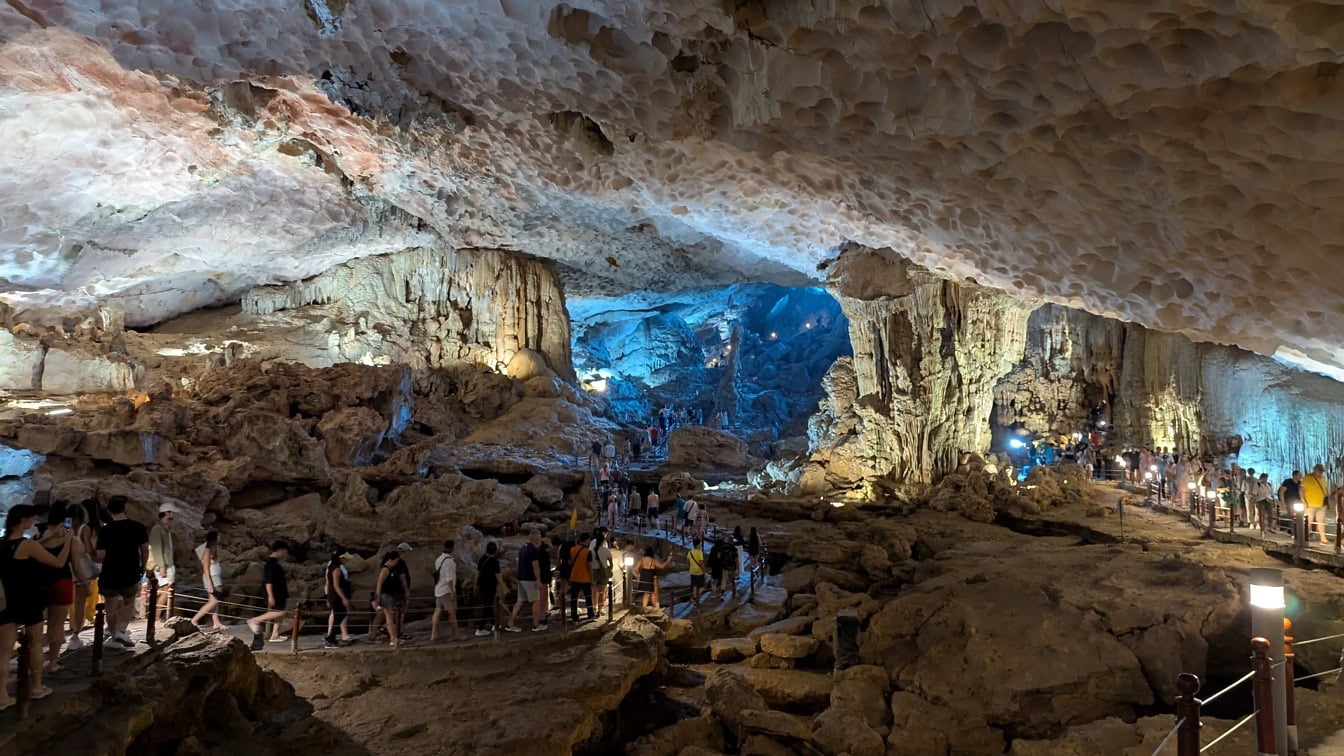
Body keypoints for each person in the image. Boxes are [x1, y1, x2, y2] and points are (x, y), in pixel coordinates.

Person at [1, 504, 72, 708]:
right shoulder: (27, 545)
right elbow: (58, 563)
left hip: (7, 600)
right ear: (23, 520)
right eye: (31, 519)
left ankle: (2, 696)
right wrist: (67, 540)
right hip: (29, 599)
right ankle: (36, 687)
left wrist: (47, 538)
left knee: (4, 651)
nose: (33, 522)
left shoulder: (2, 544)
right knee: (35, 643)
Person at [96, 496, 149, 649]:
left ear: (109, 510)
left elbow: (100, 555)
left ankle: (114, 635)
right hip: (131, 570)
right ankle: (121, 631)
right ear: (125, 508)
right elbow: (144, 549)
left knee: (110, 604)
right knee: (129, 601)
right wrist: (143, 566)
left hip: (110, 572)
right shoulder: (137, 527)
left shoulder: (105, 530)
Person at [37, 502, 75, 673]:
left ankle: (34, 661)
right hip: (62, 582)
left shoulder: (41, 533)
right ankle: (53, 662)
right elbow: (67, 559)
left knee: (42, 624)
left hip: (42, 582)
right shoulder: (66, 535)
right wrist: (68, 539)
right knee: (57, 625)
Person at [67, 503, 97, 650]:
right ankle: (75, 635)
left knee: (66, 604)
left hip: (67, 568)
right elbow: (88, 548)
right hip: (81, 569)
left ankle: (65, 632)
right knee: (80, 603)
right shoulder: (83, 529)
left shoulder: (65, 529)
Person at [248, 541, 291, 644]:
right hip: (275, 593)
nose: (285, 554)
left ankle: (275, 634)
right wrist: (270, 595)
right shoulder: (271, 564)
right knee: (280, 612)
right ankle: (256, 620)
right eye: (284, 551)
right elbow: (268, 581)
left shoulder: (274, 563)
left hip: (280, 592)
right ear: (280, 550)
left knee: (280, 612)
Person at [507, 530, 545, 633]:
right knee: (536, 601)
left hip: (521, 578)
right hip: (529, 579)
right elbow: (535, 566)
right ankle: (536, 625)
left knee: (519, 601)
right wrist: (538, 579)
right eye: (539, 537)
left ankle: (510, 623)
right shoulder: (532, 550)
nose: (540, 539)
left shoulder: (523, 547)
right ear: (535, 538)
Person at [191, 531, 228, 631]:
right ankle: (194, 620)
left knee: (214, 602)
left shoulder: (213, 550)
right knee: (214, 601)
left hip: (216, 576)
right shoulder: (207, 550)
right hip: (212, 577)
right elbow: (206, 568)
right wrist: (209, 583)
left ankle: (216, 622)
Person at [145, 506, 176, 624]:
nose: (173, 514)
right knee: (166, 590)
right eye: (171, 512)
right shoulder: (158, 529)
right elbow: (157, 548)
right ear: (166, 513)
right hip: (163, 565)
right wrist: (161, 565)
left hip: (168, 564)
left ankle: (158, 615)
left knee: (167, 590)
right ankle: (156, 617)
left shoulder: (166, 528)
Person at [374, 549, 409, 646]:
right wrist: (377, 598)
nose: (396, 563)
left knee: (392, 617)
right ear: (391, 560)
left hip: (392, 595)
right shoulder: (385, 569)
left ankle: (394, 637)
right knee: (389, 617)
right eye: (396, 561)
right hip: (386, 595)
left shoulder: (392, 569)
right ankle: (393, 638)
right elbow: (379, 584)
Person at [430, 540, 459, 642]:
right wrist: (453, 592)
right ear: (452, 548)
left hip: (438, 589)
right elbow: (449, 579)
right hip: (446, 590)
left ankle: (434, 634)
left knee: (437, 611)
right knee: (452, 612)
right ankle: (455, 634)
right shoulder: (449, 562)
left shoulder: (439, 559)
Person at [324, 550, 354, 648]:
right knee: (339, 616)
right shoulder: (336, 569)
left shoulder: (331, 567)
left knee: (340, 615)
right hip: (336, 596)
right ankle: (331, 639)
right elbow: (336, 585)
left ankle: (331, 637)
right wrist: (343, 598)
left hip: (333, 595)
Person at [475, 541, 502, 636]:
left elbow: (477, 574)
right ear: (495, 551)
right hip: (490, 587)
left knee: (489, 604)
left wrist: (475, 585)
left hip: (482, 586)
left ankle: (494, 624)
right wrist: (503, 586)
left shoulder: (482, 559)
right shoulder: (495, 562)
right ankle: (480, 628)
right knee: (487, 606)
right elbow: (498, 576)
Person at [568, 534, 595, 623]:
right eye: (589, 540)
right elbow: (589, 566)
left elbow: (569, 562)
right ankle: (590, 614)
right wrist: (592, 579)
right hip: (585, 578)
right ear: (586, 540)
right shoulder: (588, 552)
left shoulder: (572, 550)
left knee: (574, 598)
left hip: (574, 577)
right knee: (588, 597)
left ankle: (574, 617)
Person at [1303, 464, 1330, 545]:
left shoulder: (1323, 478)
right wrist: (1303, 500)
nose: (1321, 473)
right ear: (1315, 470)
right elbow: (1302, 490)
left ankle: (1323, 539)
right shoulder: (1307, 478)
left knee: (1321, 521)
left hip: (1321, 504)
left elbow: (1325, 489)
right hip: (1310, 504)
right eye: (1319, 471)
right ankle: (1304, 537)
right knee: (1308, 521)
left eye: (1322, 471)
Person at [589, 530, 612, 617]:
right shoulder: (606, 551)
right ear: (603, 541)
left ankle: (594, 607)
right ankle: (600, 609)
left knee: (594, 591)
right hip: (603, 572)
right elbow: (611, 563)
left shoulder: (591, 550)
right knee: (602, 592)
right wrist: (608, 569)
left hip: (594, 571)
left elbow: (589, 562)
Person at [687, 538, 707, 604]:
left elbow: (688, 562)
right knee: (703, 586)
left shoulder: (690, 552)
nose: (701, 545)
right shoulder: (699, 552)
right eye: (700, 544)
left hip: (692, 571)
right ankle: (695, 598)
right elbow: (701, 563)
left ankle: (694, 600)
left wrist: (691, 567)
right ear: (698, 545)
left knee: (695, 586)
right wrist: (704, 572)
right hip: (699, 572)